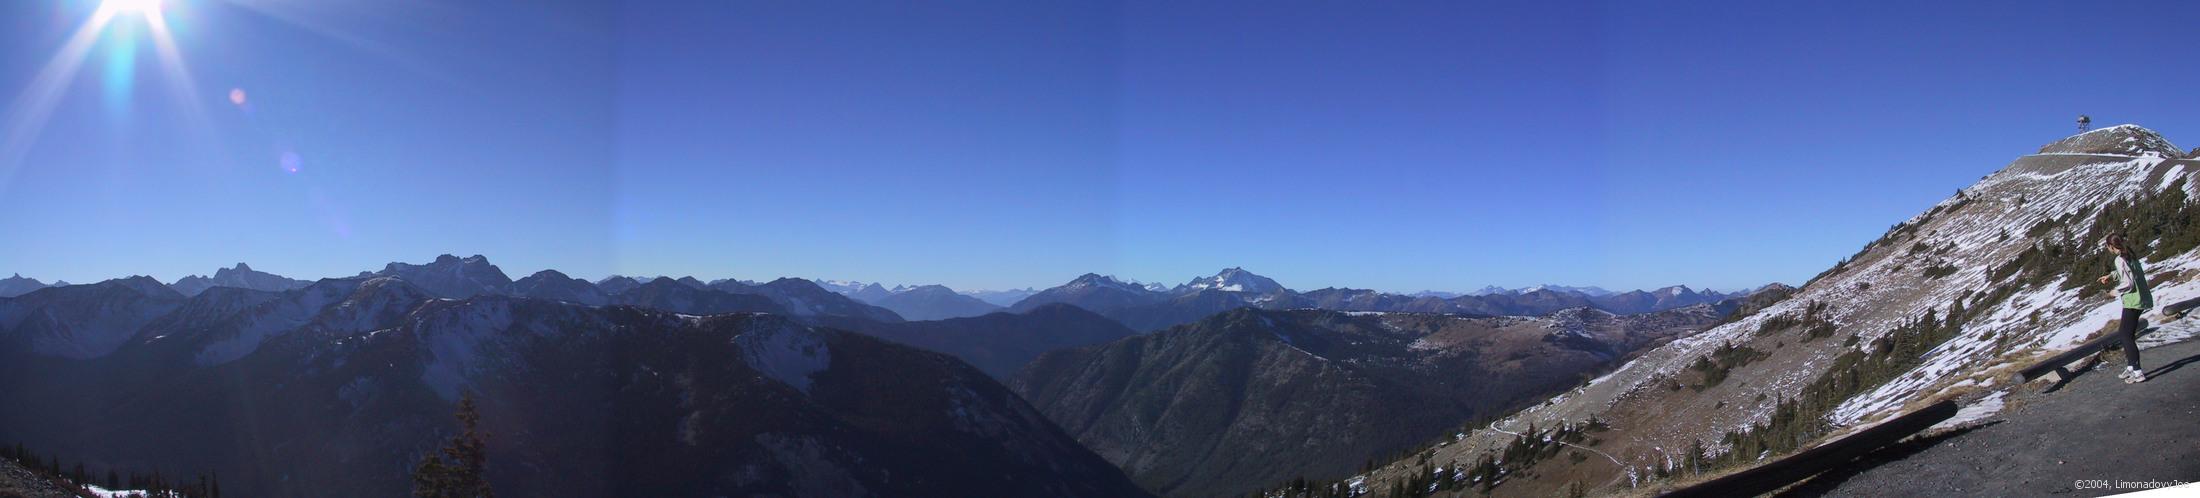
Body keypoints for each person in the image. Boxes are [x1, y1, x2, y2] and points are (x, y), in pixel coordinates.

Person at [2095, 233, 2152, 384]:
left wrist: (2114, 292)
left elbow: (2128, 283)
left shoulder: (2119, 259)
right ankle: (2131, 367)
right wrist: (2111, 276)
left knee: (2125, 336)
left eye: (2107, 247)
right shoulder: (2129, 254)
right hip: (2141, 298)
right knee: (2128, 334)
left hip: (2133, 301)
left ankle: (2138, 372)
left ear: (2111, 246)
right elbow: (2127, 272)